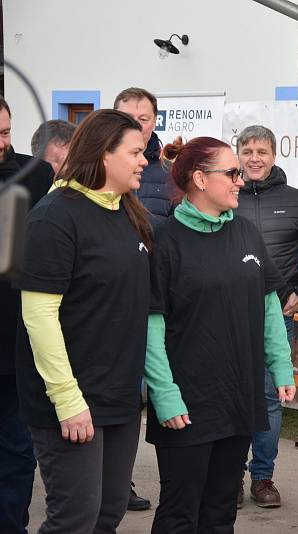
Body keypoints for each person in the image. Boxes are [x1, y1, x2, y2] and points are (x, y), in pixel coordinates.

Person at [146, 136, 296, 533]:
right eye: (231, 172)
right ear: (199, 178)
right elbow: (151, 326)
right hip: (186, 404)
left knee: (220, 512)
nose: (240, 181)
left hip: (238, 398)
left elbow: (269, 308)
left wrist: (281, 367)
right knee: (180, 513)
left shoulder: (246, 233)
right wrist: (164, 394)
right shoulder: (165, 241)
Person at [15, 109, 152, 534]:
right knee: (74, 520)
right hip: (70, 401)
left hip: (119, 398)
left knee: (108, 514)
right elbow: (38, 315)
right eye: (135, 151)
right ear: (104, 154)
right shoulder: (55, 216)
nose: (144, 160)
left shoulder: (128, 211)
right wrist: (68, 399)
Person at [234, 125, 298, 508]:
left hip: (277, 316)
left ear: (274, 155)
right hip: (227, 317)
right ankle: (230, 478)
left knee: (269, 398)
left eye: (262, 150)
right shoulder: (227, 195)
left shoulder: (296, 201)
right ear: (238, 154)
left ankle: (262, 478)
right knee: (232, 396)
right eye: (247, 150)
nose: (254, 157)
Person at [114, 86, 172, 511]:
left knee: (155, 393)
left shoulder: (167, 174)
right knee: (122, 394)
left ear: (156, 121)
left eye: (145, 118)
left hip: (160, 298)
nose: (138, 124)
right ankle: (119, 481)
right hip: (115, 299)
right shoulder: (102, 171)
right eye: (128, 116)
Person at [0, 96, 54, 534]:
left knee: (17, 451)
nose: (2, 143)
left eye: (4, 132)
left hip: (16, 343)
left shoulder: (37, 175)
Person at [115, 87, 173, 224]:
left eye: (143, 119)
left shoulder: (171, 173)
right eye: (126, 118)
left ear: (154, 122)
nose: (135, 125)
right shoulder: (94, 168)